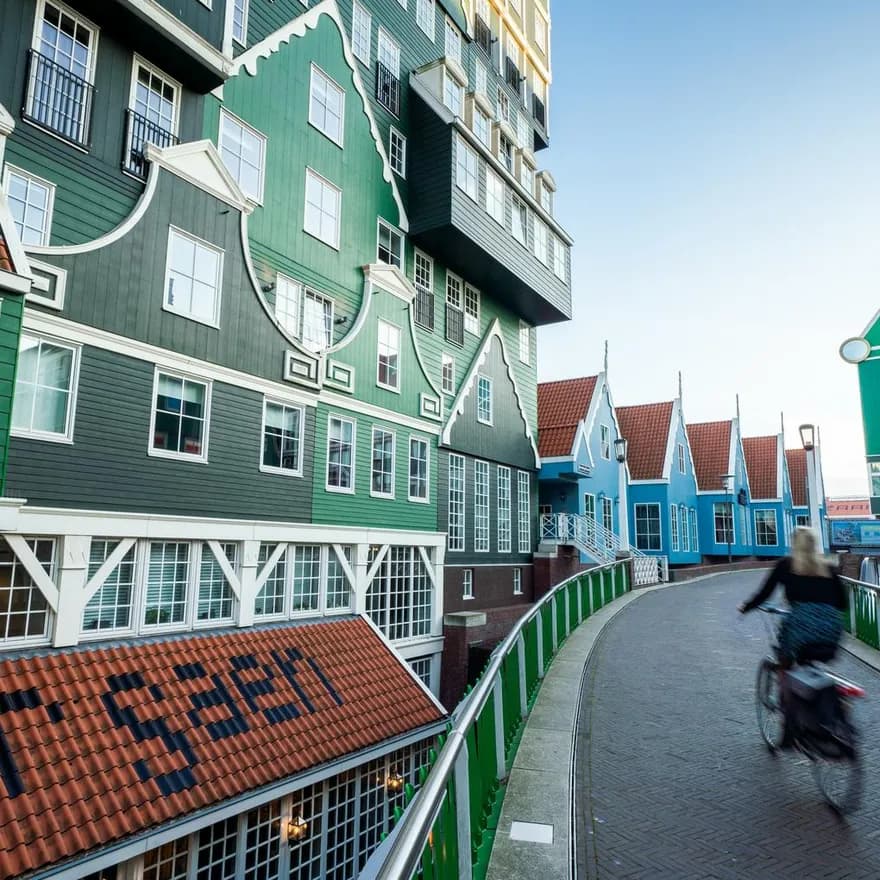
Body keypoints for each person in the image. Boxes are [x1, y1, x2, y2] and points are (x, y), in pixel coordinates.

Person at [738, 527, 847, 666]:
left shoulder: (785, 565)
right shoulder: (829, 568)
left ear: (794, 544)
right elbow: (843, 603)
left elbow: (764, 594)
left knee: (785, 659)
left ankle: (784, 682)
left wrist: (745, 607)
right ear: (814, 544)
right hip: (831, 631)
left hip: (799, 629)